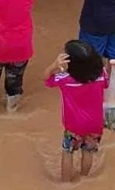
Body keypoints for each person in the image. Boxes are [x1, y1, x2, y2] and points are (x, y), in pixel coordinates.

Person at [44, 40, 110, 182]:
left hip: (73, 125)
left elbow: (47, 79)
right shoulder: (100, 75)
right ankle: (84, 178)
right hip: (95, 124)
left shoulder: (65, 79)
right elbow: (107, 83)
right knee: (88, 151)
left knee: (67, 152)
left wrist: (55, 65)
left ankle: (66, 182)